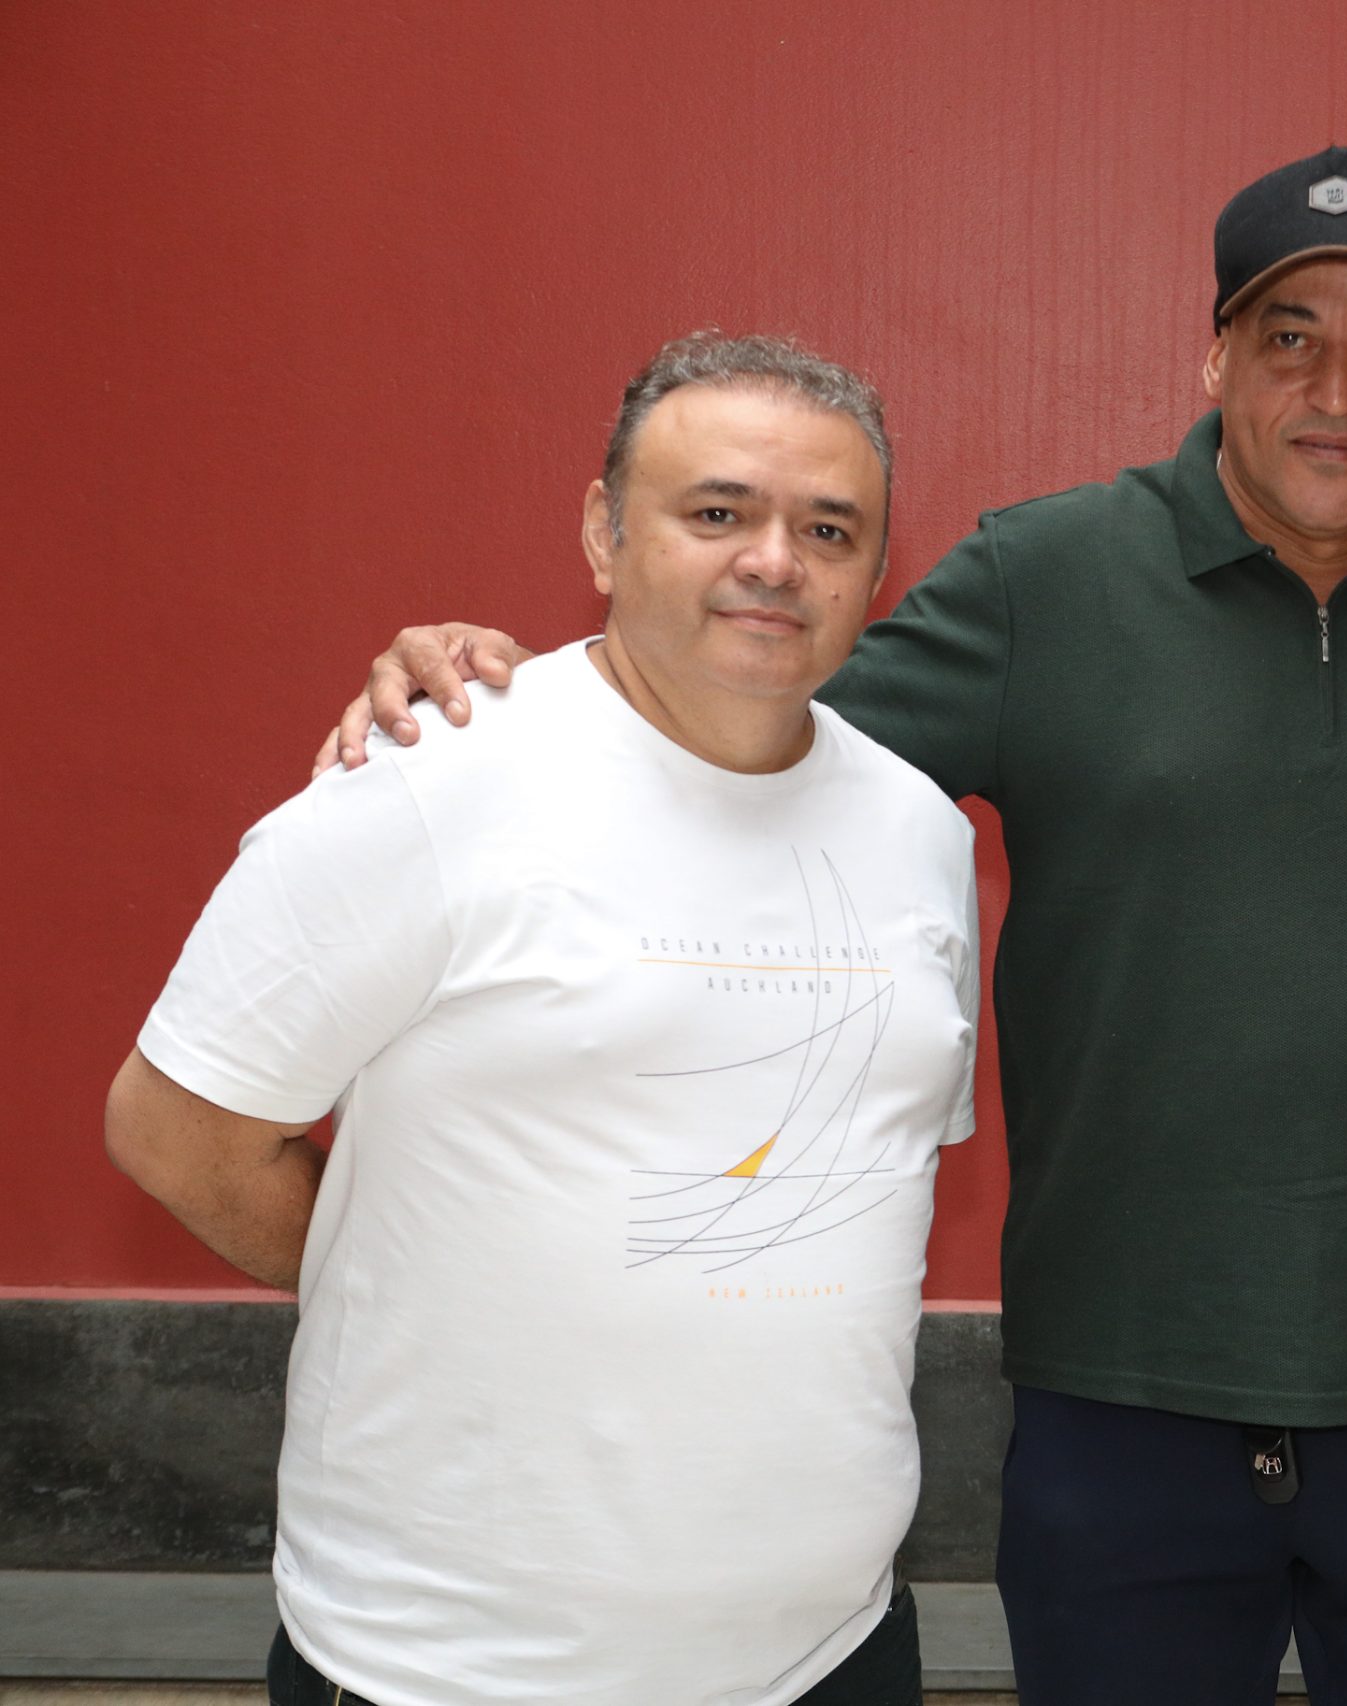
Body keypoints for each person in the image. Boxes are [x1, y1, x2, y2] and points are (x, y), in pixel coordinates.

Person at [314, 147, 1347, 1705]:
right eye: (1289, 335)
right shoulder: (1046, 576)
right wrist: (501, 683)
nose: (1335, 384)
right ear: (1216, 354)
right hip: (1120, 1390)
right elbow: (737, 713)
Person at [108, 332, 978, 1706]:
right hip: (452, 1665)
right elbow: (176, 1129)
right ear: (601, 530)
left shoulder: (920, 830)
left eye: (827, 527)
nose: (773, 558)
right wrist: (425, 1280)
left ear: (876, 570)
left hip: (829, 1653)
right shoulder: (428, 783)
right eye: (716, 512)